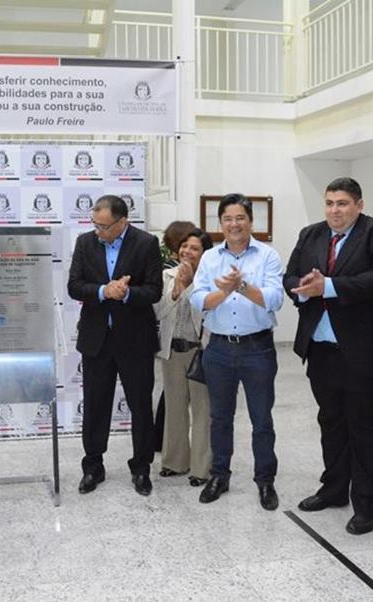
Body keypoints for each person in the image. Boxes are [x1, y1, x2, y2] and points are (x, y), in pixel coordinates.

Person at [284, 177, 373, 535]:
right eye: (329, 203)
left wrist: (330, 286)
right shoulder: (311, 234)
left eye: (342, 203)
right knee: (332, 422)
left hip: (369, 352)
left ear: (359, 204)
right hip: (322, 350)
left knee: (369, 429)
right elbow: (290, 276)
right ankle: (335, 489)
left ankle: (371, 504)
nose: (334, 210)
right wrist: (304, 289)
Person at [190, 193, 284, 508]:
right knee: (220, 418)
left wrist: (242, 287)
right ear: (220, 223)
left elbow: (274, 299)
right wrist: (225, 290)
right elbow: (199, 301)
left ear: (250, 221)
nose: (234, 224)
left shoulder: (267, 256)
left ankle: (265, 480)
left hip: (257, 348)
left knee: (262, 419)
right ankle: (220, 475)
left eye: (240, 218)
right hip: (217, 349)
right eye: (227, 219)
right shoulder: (209, 258)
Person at [68, 194, 163, 496]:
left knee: (140, 407)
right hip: (97, 340)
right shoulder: (85, 243)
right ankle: (93, 466)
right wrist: (102, 291)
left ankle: (141, 468)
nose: (99, 231)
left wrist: (125, 294)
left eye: (105, 226)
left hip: (135, 340)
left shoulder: (146, 243)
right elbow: (73, 286)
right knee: (96, 407)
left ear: (123, 222)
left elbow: (154, 290)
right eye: (95, 224)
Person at [154, 228, 213, 487]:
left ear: (205, 254)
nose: (187, 252)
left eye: (195, 248)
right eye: (185, 246)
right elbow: (158, 311)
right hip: (171, 351)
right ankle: (174, 462)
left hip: (199, 351)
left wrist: (189, 287)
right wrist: (176, 291)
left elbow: (202, 312)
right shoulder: (167, 274)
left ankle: (201, 468)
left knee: (202, 411)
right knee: (175, 409)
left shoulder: (210, 279)